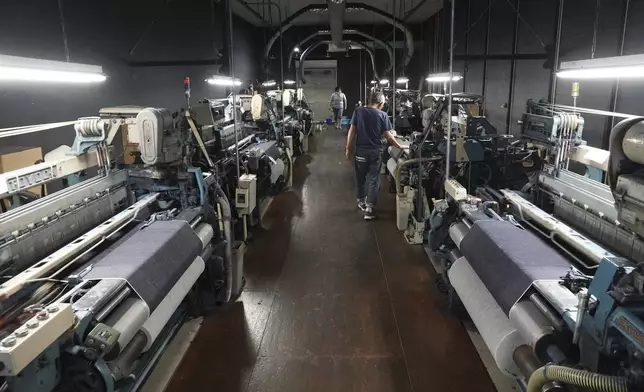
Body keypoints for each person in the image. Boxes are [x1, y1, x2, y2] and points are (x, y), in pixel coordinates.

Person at [345, 91, 404, 220]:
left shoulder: (358, 111)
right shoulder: (382, 115)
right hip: (375, 152)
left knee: (360, 178)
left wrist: (348, 149)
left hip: (360, 152)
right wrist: (399, 146)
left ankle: (361, 202)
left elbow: (352, 130)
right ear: (380, 103)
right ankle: (369, 209)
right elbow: (388, 135)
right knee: (373, 179)